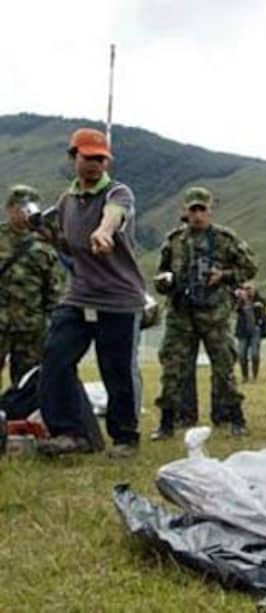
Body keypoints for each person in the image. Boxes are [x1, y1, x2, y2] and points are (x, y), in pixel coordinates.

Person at [37, 128, 147, 458]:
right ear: (74, 157)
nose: (95, 164)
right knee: (55, 359)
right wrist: (45, 233)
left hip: (119, 297)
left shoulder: (118, 192)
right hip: (80, 294)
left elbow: (114, 215)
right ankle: (71, 432)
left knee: (116, 370)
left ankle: (125, 437)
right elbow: (67, 244)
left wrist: (103, 230)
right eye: (88, 157)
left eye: (101, 159)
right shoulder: (66, 201)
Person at [152, 187, 257, 440]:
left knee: (223, 368)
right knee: (173, 368)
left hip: (215, 315)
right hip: (181, 315)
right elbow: (161, 274)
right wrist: (166, 283)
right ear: (185, 211)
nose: (197, 215)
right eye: (193, 209)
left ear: (211, 211)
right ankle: (168, 422)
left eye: (202, 209)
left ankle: (234, 417)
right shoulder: (175, 240)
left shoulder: (224, 239)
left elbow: (250, 267)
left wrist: (224, 276)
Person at [0, 185, 63, 389]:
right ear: (9, 208)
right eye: (18, 207)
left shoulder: (43, 245)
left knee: (27, 380)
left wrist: (51, 320)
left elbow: (53, 288)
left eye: (27, 207)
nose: (22, 212)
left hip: (30, 327)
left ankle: (19, 419)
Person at [234, 281, 266, 382]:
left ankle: (255, 376)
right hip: (242, 331)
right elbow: (235, 309)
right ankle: (245, 376)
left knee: (255, 354)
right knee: (241, 354)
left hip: (256, 330)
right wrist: (241, 299)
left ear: (254, 289)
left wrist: (263, 323)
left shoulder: (261, 301)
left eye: (249, 288)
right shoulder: (240, 301)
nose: (247, 291)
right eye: (245, 289)